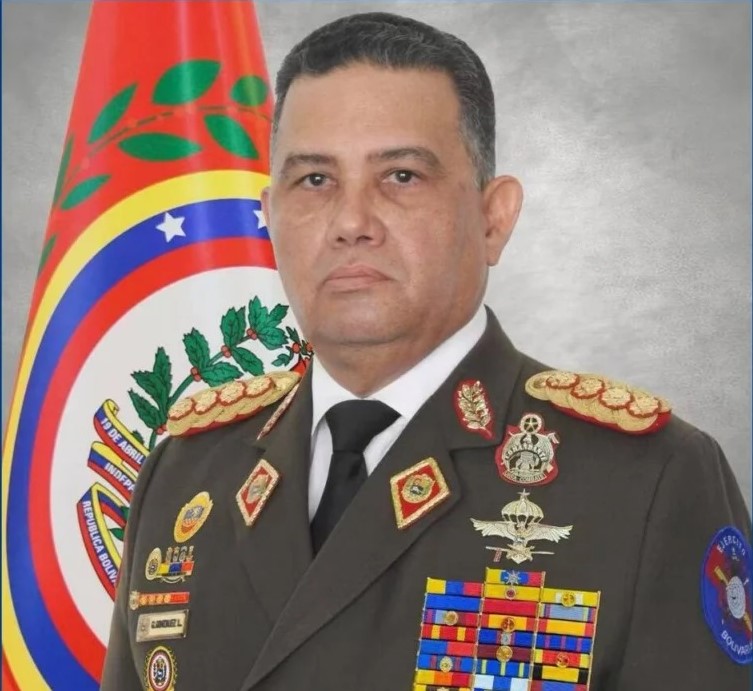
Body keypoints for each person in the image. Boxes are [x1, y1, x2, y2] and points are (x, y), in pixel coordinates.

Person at [101, 12, 751, 691]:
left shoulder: (645, 481)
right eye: (315, 180)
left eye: (402, 176)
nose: (351, 222)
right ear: (269, 216)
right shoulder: (186, 472)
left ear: (493, 218)